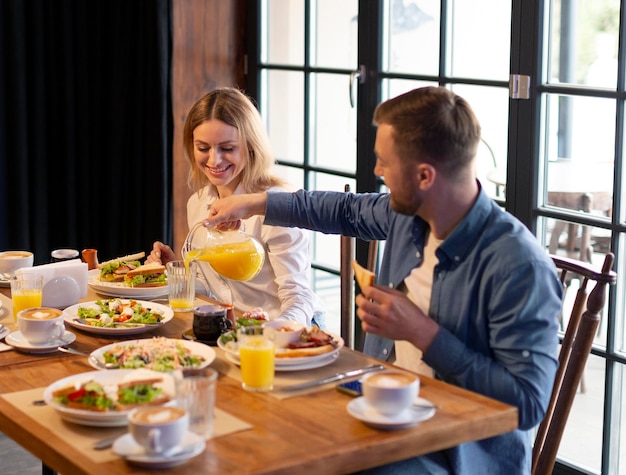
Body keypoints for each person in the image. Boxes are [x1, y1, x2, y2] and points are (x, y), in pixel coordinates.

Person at [202, 86, 563, 474]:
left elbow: (527, 403)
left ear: (424, 176)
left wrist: (423, 333)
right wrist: (255, 202)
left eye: (384, 162)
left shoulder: (518, 265)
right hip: (382, 412)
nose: (377, 171)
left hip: (455, 451)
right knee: (256, 436)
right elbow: (342, 209)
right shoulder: (407, 215)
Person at [147, 87, 324, 326]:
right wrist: (173, 271)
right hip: (234, 328)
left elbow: (299, 298)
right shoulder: (198, 203)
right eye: (203, 148)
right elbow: (215, 288)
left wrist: (274, 333)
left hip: (288, 327)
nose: (214, 160)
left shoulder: (277, 206)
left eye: (227, 148)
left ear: (251, 145)